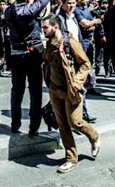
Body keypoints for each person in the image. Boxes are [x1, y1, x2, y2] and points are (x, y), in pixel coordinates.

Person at [41, 15, 101, 174]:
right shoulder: (49, 44)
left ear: (55, 27)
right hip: (55, 90)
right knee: (62, 125)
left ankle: (94, 136)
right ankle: (71, 159)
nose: (43, 30)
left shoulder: (69, 43)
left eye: (45, 27)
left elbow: (85, 64)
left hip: (70, 91)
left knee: (75, 122)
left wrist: (76, 84)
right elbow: (47, 61)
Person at [4, 0, 51, 135]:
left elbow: (18, 2)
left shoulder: (8, 11)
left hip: (16, 54)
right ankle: (34, 127)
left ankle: (15, 124)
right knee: (35, 91)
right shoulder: (31, 9)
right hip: (32, 54)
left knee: (17, 91)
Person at [73, 0, 102, 95]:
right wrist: (96, 21)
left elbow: (90, 24)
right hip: (81, 41)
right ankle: (81, 86)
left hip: (89, 40)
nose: (87, 0)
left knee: (90, 64)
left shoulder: (87, 10)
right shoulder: (76, 10)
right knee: (82, 64)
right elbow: (84, 23)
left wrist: (92, 25)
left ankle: (90, 86)